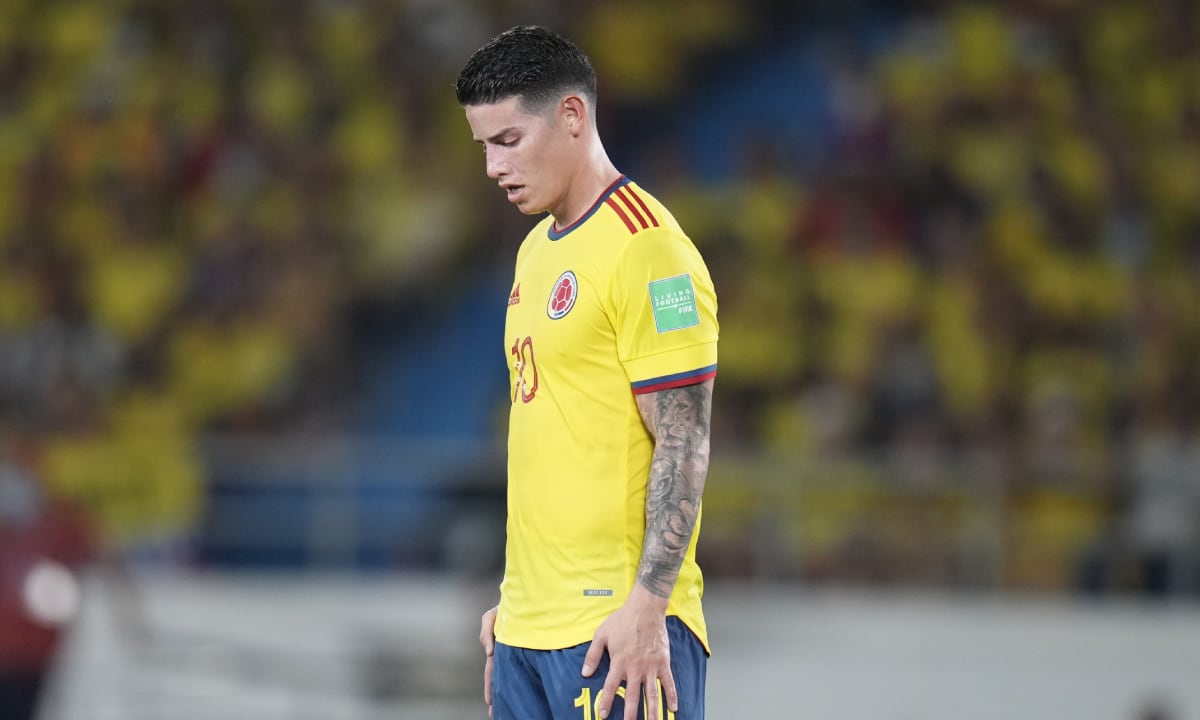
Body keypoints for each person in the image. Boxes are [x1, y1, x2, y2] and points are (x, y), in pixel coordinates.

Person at [455, 25, 718, 720]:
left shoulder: (647, 248)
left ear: (573, 116)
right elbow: (557, 438)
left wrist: (648, 607)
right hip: (527, 628)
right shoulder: (534, 251)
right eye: (482, 146)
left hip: (615, 631)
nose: (491, 167)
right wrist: (518, 601)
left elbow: (684, 439)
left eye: (507, 141)